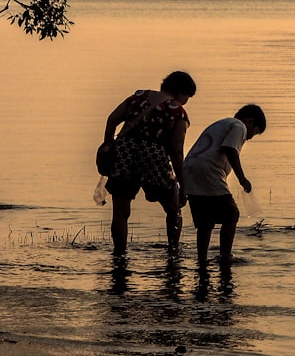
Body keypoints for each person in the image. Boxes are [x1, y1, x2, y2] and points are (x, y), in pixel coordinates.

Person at [103, 70, 197, 256]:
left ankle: (119, 255)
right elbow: (176, 152)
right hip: (154, 158)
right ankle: (173, 252)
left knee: (120, 213)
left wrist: (108, 145)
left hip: (124, 156)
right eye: (187, 96)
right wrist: (183, 186)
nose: (186, 101)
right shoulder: (177, 111)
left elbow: (112, 120)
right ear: (181, 92)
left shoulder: (139, 97)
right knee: (174, 208)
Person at [183, 104, 266, 268]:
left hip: (190, 170)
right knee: (231, 214)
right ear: (250, 121)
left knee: (205, 222)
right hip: (208, 172)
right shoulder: (239, 126)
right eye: (254, 133)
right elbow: (230, 149)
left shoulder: (222, 123)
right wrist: (242, 178)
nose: (249, 138)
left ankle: (202, 260)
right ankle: (225, 256)